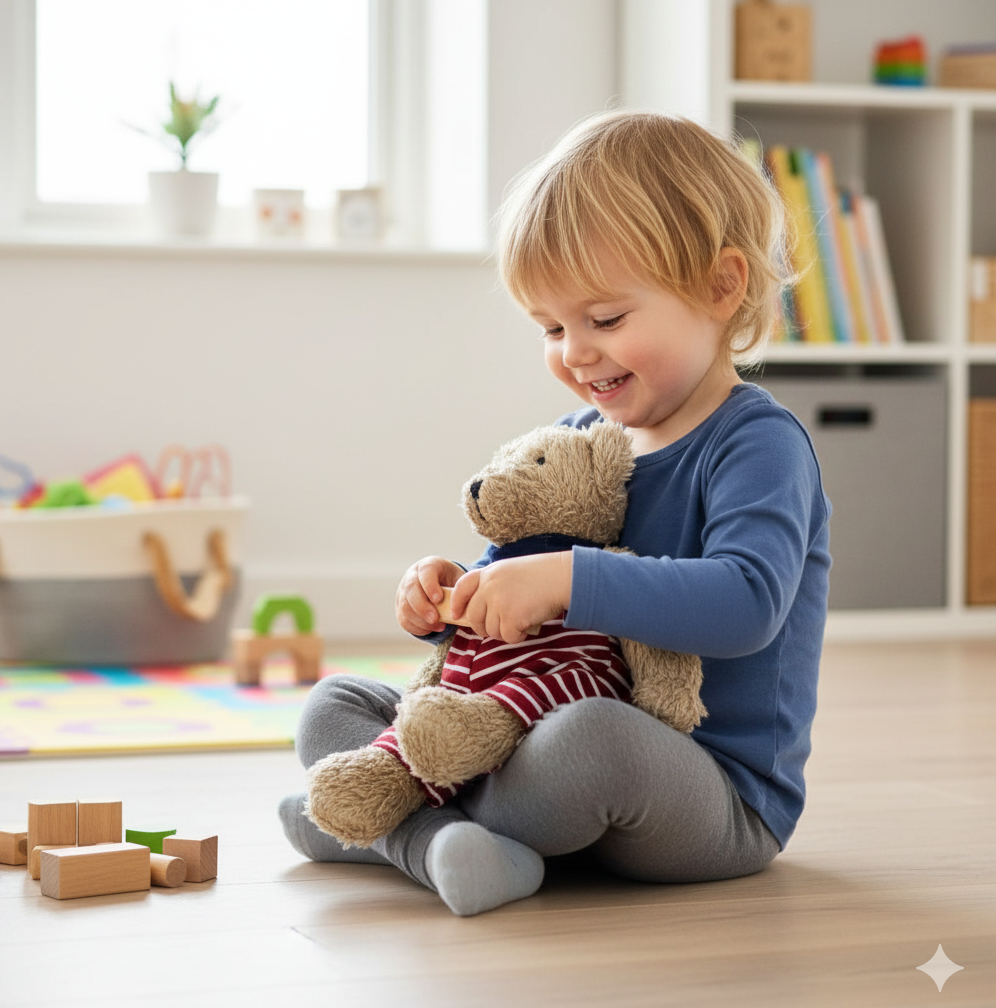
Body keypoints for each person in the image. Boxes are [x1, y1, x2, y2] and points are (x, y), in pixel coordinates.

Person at [278, 110, 831, 917]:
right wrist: (452, 599)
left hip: (702, 789)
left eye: (605, 320)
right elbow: (514, 593)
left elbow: (747, 604)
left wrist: (567, 580)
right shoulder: (580, 441)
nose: (574, 352)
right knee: (336, 705)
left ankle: (396, 833)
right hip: (530, 735)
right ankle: (443, 846)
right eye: (551, 327)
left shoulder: (758, 444)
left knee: (591, 741)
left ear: (720, 287)